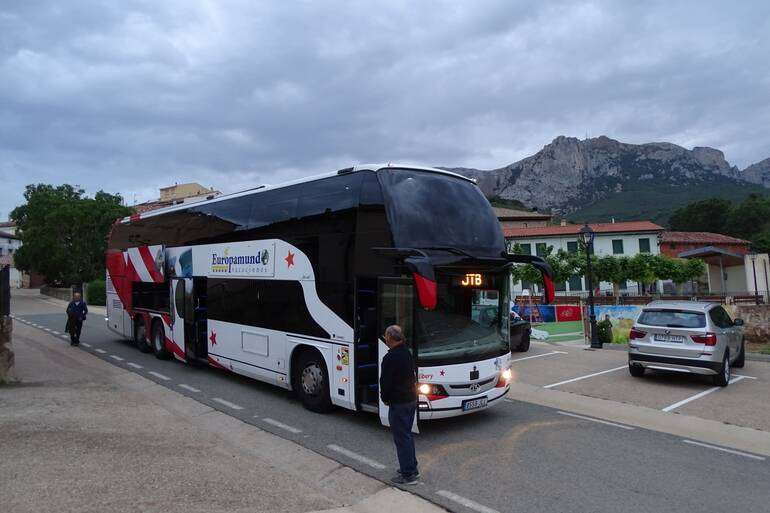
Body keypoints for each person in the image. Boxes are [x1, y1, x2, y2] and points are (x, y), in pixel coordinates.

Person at [380, 325, 419, 485]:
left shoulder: (390, 358)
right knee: (407, 435)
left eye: (385, 336)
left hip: (399, 402)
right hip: (411, 399)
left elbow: (386, 382)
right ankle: (411, 466)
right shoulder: (407, 353)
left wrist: (385, 398)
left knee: (401, 438)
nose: (385, 339)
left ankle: (408, 474)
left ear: (390, 338)